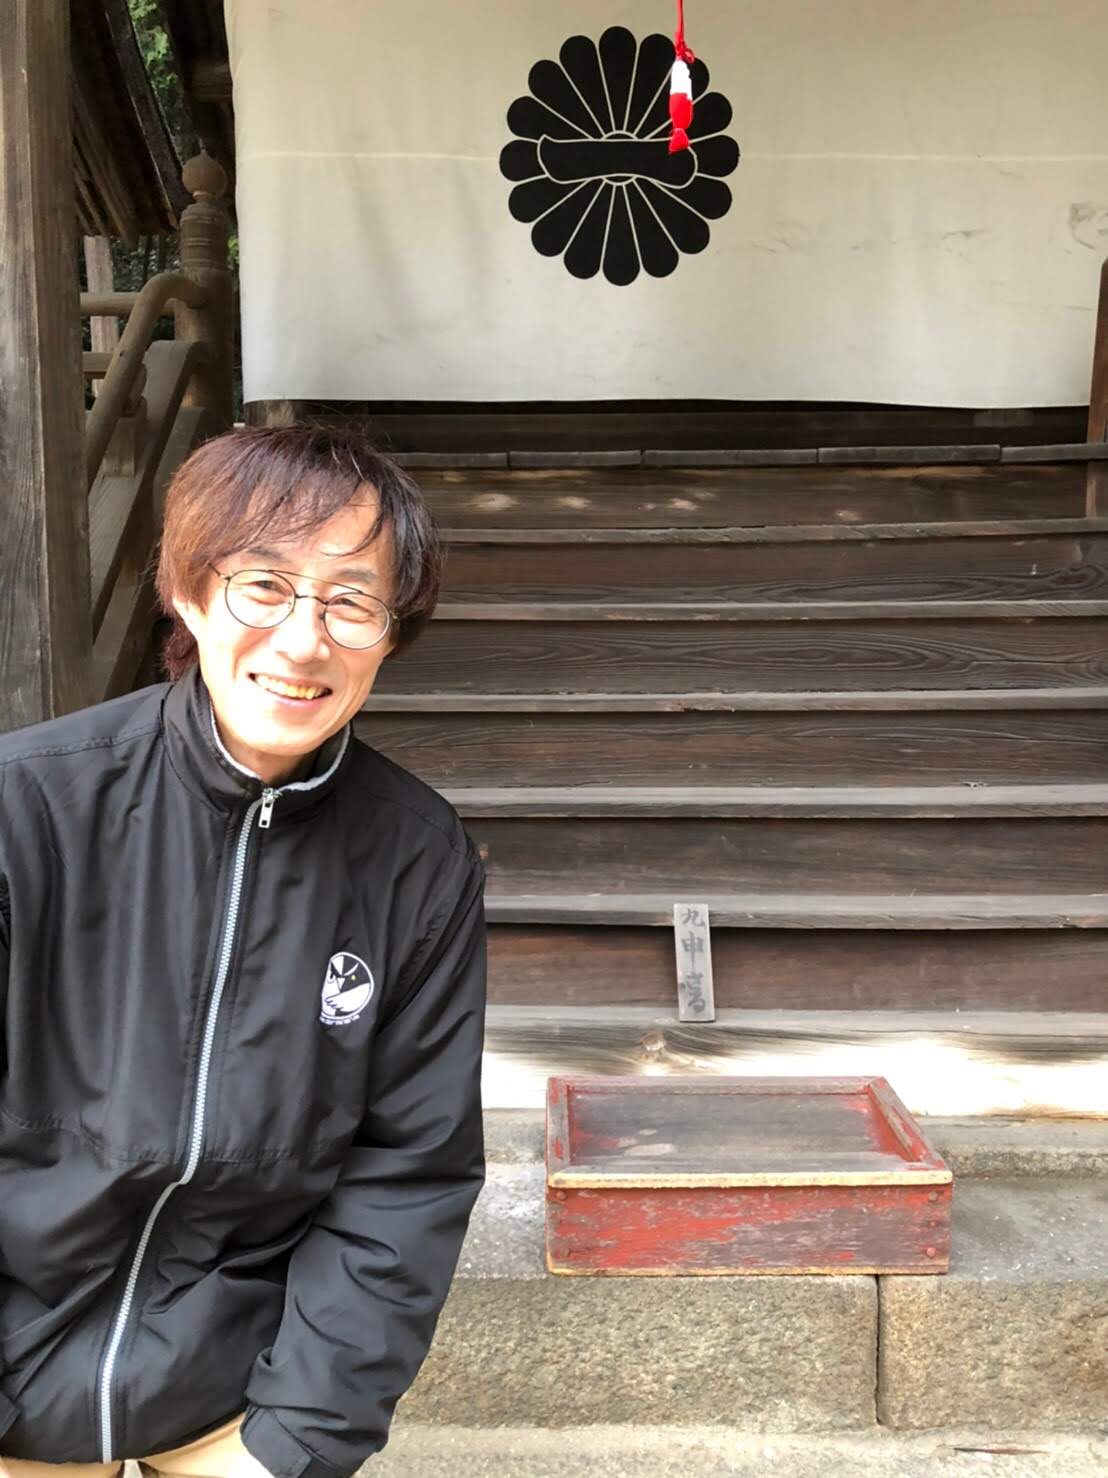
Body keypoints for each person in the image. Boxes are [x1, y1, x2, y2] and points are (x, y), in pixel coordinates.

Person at [0, 425, 487, 1478]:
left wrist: (296, 1439)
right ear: (187, 591)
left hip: (236, 1396)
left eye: (351, 601)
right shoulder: (25, 806)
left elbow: (408, 1173)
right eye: (263, 584)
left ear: (390, 632)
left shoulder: (417, 856)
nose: (304, 640)